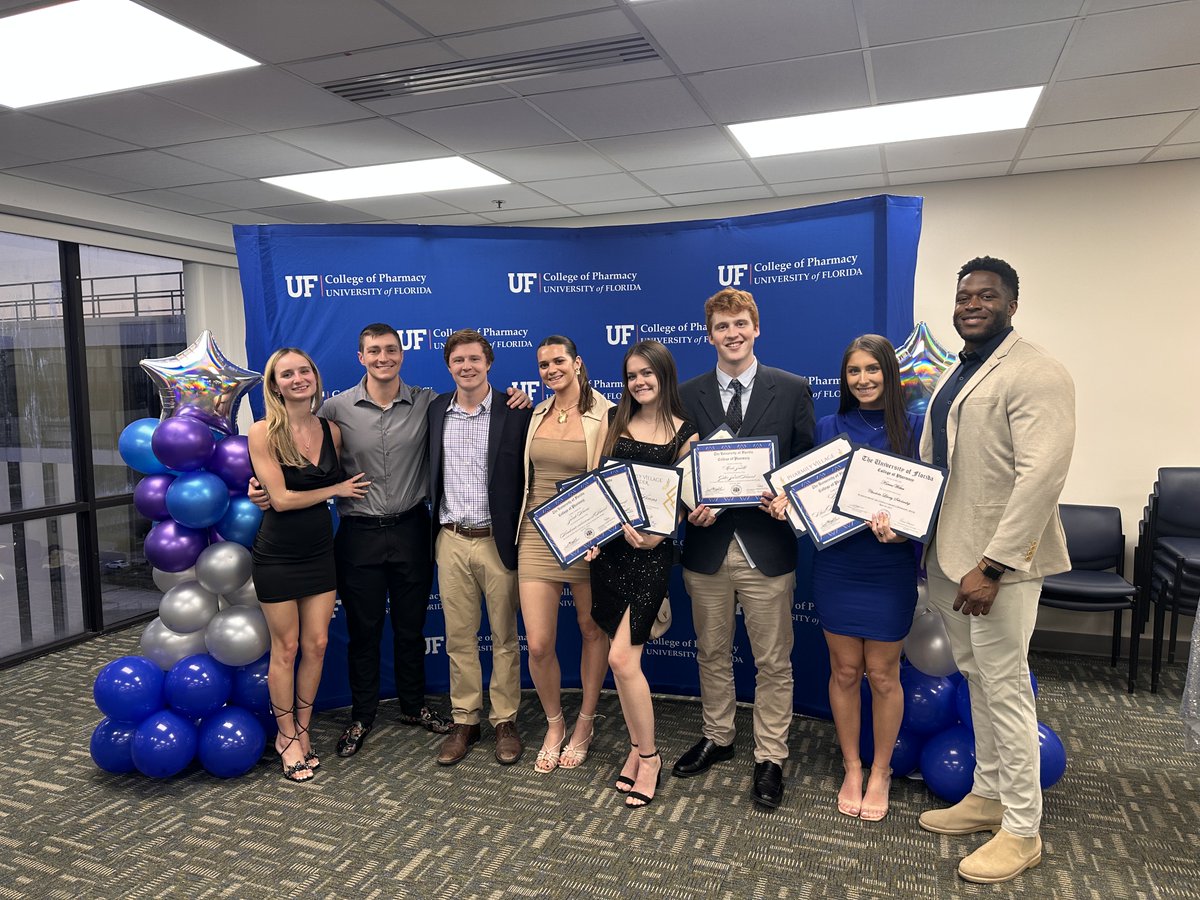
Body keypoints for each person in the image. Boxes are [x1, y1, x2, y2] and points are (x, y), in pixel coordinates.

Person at [251, 323, 529, 760]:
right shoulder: (334, 411)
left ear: (403, 355)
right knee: (364, 631)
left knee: (411, 627)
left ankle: (415, 706)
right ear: (360, 357)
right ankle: (362, 714)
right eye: (373, 351)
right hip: (358, 533)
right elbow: (302, 458)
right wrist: (261, 489)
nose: (383, 358)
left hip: (413, 529)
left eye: (391, 350)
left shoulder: (429, 403)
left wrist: (518, 397)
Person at [917, 257, 1074, 884]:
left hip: (996, 566)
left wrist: (995, 565)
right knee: (977, 679)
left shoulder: (1037, 371)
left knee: (1005, 687)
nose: (971, 304)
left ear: (1012, 303)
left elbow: (1042, 477)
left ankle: (1023, 830)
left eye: (986, 296)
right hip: (950, 557)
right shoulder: (961, 371)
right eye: (963, 296)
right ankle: (986, 796)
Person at [674, 288, 815, 809]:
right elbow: (674, 471)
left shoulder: (792, 388)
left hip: (767, 547)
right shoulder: (686, 396)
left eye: (740, 324)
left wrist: (787, 498)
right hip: (707, 545)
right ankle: (719, 735)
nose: (731, 334)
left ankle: (770, 756)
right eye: (721, 327)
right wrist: (689, 505)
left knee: (773, 661)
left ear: (756, 328)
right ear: (708, 334)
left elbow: (807, 465)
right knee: (711, 651)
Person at [806, 334, 923, 822]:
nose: (863, 380)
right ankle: (852, 766)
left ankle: (881, 771)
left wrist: (905, 534)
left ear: (889, 374)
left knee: (883, 674)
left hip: (889, 567)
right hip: (838, 563)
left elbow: (930, 502)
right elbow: (815, 493)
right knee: (845, 671)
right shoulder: (827, 426)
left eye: (872, 370)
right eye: (854, 371)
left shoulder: (914, 428)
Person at [584, 341, 697, 808]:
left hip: (651, 558)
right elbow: (596, 484)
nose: (639, 382)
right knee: (621, 659)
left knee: (621, 660)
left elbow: (686, 501)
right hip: (608, 555)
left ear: (664, 375)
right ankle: (635, 747)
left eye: (647, 373)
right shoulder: (614, 422)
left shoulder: (686, 433)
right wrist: (588, 533)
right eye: (632, 375)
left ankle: (649, 757)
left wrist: (659, 536)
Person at [247, 348, 368, 782]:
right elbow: (279, 500)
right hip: (277, 554)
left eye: (304, 371)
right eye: (287, 374)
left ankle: (301, 728)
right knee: (287, 649)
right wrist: (336, 489)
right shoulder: (262, 433)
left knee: (316, 645)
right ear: (275, 385)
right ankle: (285, 737)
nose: (298, 378)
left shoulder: (331, 431)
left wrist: (334, 489)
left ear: (315, 377)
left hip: (321, 552)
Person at [427, 330, 531, 767]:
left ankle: (504, 718)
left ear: (488, 362)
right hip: (450, 538)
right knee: (459, 638)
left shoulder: (516, 410)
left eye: (474, 359)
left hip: (497, 541)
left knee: (505, 636)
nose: (466, 367)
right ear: (449, 366)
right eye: (458, 360)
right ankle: (465, 720)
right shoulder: (435, 411)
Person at [517, 335, 613, 773]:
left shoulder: (606, 413)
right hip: (537, 534)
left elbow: (615, 479)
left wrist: (602, 533)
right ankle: (555, 724)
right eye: (543, 364)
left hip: (587, 536)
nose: (551, 369)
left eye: (559, 361)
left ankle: (585, 723)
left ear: (577, 362)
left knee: (592, 629)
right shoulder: (534, 411)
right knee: (538, 644)